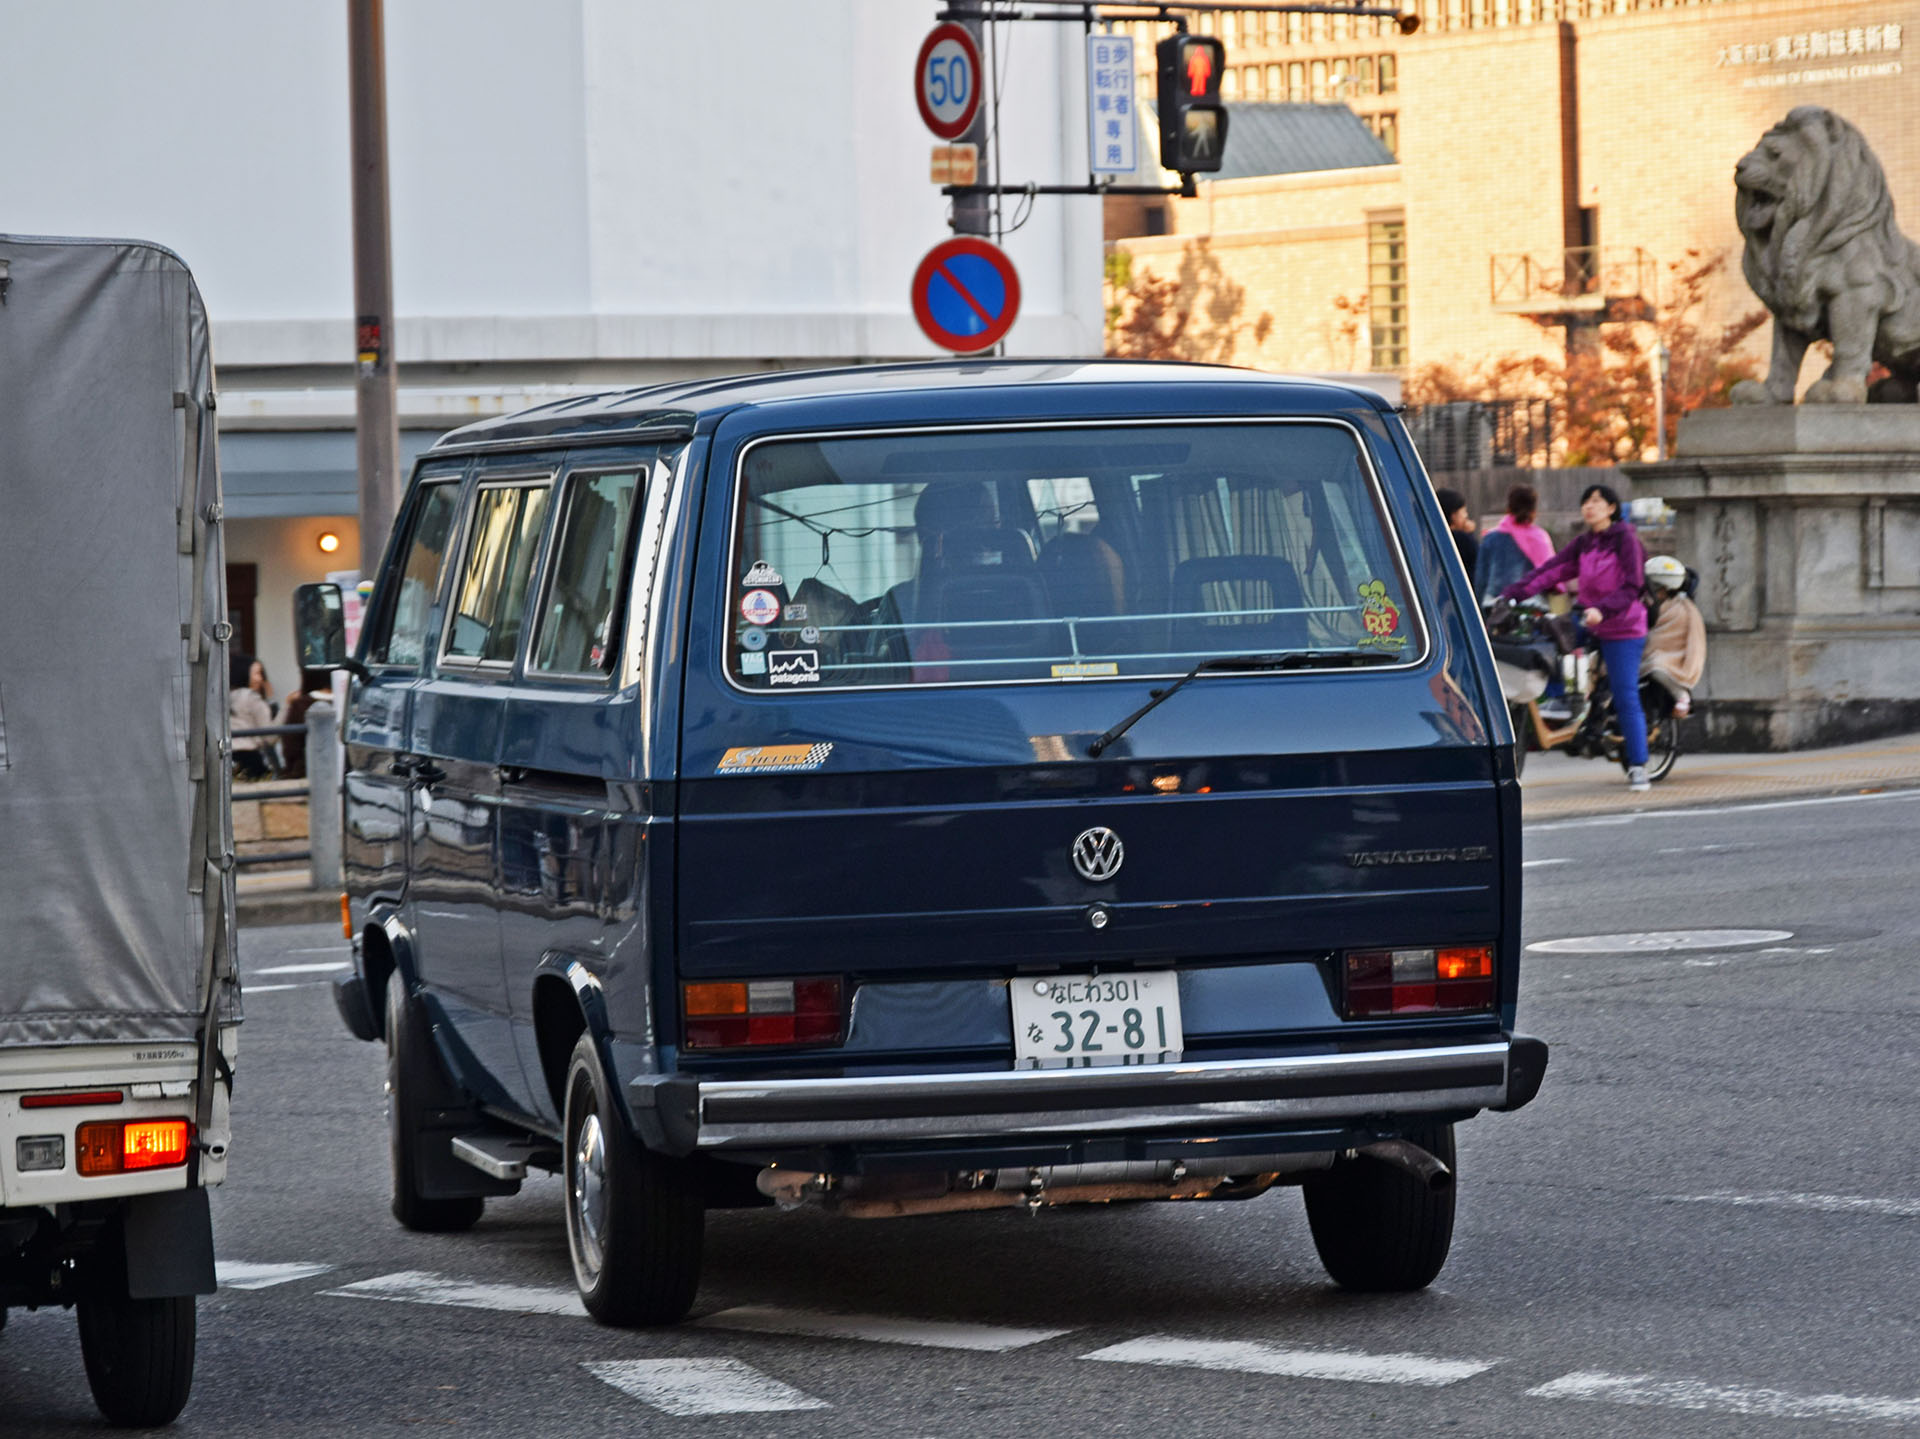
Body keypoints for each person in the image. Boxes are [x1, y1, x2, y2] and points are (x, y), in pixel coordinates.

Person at [1500, 483, 1651, 790]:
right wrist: (1513, 595)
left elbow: (1633, 585)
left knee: (1625, 696)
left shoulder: (1626, 539)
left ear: (1611, 508)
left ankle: (1638, 767)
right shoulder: (1585, 543)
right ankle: (1555, 699)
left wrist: (1604, 611)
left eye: (1597, 501)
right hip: (1589, 617)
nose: (1589, 506)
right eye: (1586, 501)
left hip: (1623, 626)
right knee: (1547, 636)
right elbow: (1552, 570)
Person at [1640, 555, 1706, 718]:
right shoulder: (1652, 604)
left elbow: (1666, 634)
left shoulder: (1681, 609)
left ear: (1663, 589)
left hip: (1672, 656)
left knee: (1657, 667)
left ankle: (1681, 696)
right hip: (1653, 652)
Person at [229, 653, 278, 781]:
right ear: (245, 673)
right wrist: (286, 706)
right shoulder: (252, 698)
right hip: (251, 758)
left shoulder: (227, 696)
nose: (260, 678)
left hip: (228, 757)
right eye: (257, 673)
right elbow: (270, 736)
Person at [1434, 486, 1479, 578]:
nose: (1466, 516)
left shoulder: (1435, 536)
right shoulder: (1462, 539)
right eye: (1463, 511)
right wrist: (1470, 535)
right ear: (1453, 515)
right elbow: (1477, 560)